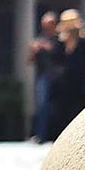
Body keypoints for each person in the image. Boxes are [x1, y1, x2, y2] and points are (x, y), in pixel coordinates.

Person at [46, 9, 85, 141]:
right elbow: (54, 62)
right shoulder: (58, 44)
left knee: (76, 112)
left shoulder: (83, 43)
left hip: (78, 83)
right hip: (61, 85)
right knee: (60, 113)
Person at [28, 11, 58, 143]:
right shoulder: (40, 39)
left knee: (54, 107)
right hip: (42, 76)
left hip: (57, 77)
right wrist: (34, 50)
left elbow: (58, 54)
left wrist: (45, 47)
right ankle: (41, 135)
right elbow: (29, 60)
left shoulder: (58, 39)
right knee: (41, 105)